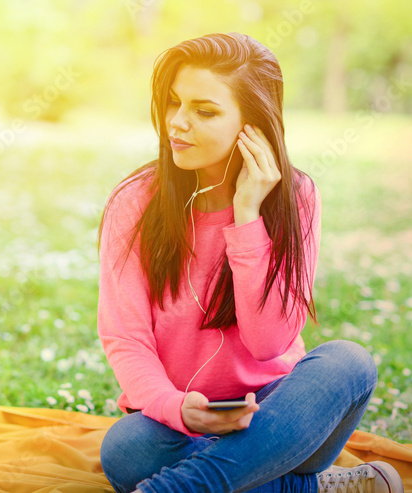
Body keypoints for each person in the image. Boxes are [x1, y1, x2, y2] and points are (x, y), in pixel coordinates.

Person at [96, 32, 403, 493]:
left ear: (253, 124)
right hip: (178, 419)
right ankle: (305, 487)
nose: (177, 123)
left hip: (279, 415)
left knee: (350, 361)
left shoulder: (295, 198)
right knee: (126, 449)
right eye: (174, 102)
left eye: (205, 111)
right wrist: (177, 407)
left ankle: (178, 488)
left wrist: (247, 218)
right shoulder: (135, 201)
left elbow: (268, 344)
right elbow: (126, 337)